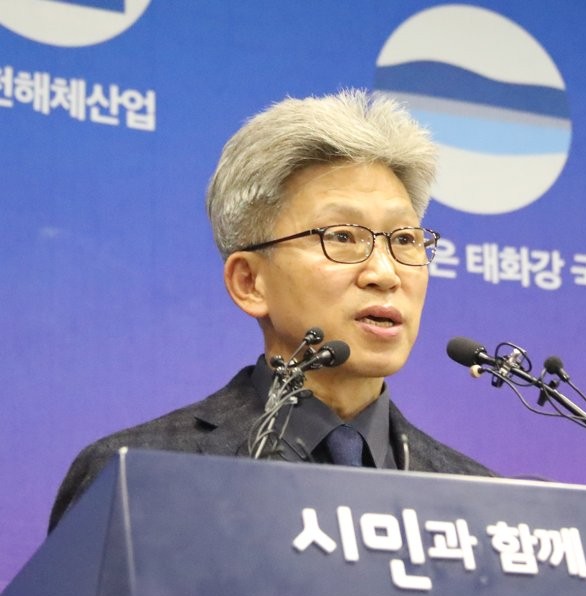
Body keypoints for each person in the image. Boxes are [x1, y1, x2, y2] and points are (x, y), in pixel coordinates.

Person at [48, 89, 494, 533]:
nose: (385, 272)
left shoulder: (484, 503)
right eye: (341, 237)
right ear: (249, 282)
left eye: (405, 239)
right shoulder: (139, 480)